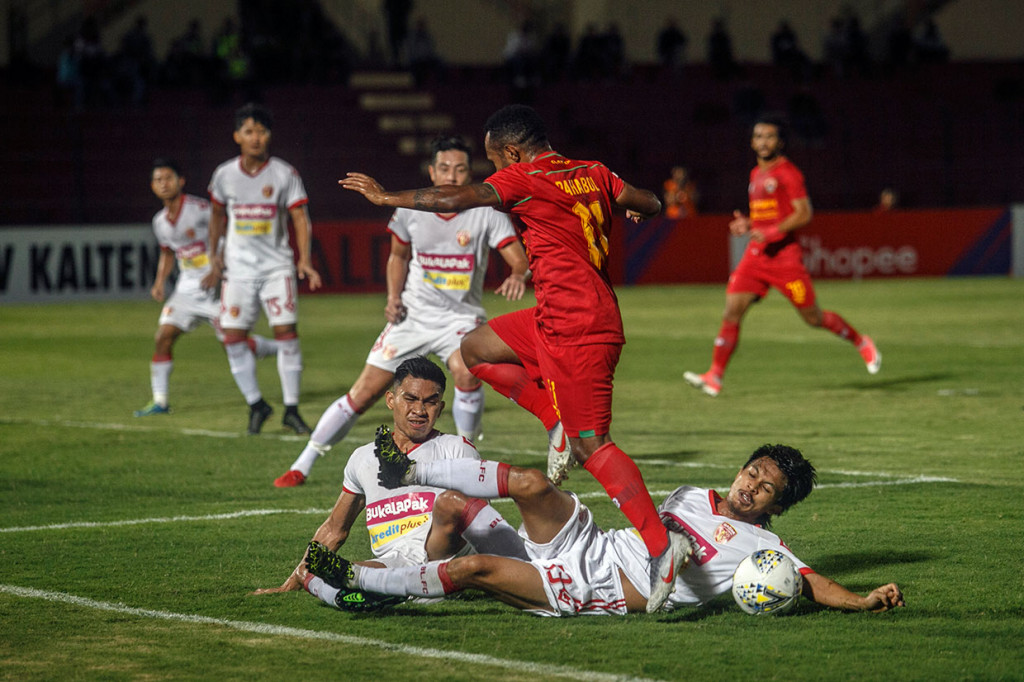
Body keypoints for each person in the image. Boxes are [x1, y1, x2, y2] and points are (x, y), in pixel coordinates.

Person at [341, 104, 690, 614]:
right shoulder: (592, 172)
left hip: (579, 330)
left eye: (492, 160)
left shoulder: (525, 177)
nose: (492, 171)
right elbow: (651, 201)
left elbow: (457, 197)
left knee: (595, 445)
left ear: (511, 151)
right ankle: (555, 421)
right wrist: (637, 208)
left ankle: (663, 549)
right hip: (553, 317)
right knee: (475, 349)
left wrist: (385, 196)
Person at [302, 442, 905, 617]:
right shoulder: (694, 493)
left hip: (597, 589)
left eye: (765, 487)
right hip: (591, 543)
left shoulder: (765, 546)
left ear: (776, 508)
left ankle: (353, 580)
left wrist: (861, 598)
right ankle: (415, 469)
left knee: (473, 569)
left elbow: (808, 580)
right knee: (531, 485)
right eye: (753, 472)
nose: (750, 486)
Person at [274, 136, 529, 487]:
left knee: (466, 373)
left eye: (459, 169)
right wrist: (393, 297)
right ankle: (303, 464)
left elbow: (518, 258)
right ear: (432, 170)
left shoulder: (485, 212)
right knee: (363, 392)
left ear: (470, 173)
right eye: (444, 168)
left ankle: (471, 460)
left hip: (461, 319)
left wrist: (517, 274)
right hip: (413, 316)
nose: (452, 176)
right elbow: (398, 256)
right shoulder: (412, 208)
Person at [254, 356, 528, 610]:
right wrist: (292, 580)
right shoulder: (363, 458)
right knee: (323, 570)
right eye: (410, 399)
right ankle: (356, 590)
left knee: (450, 507)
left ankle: (426, 584)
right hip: (394, 562)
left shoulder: (456, 449)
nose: (419, 410)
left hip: (445, 556)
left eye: (430, 402)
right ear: (390, 400)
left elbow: (481, 523)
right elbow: (335, 529)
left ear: (441, 407)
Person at [684, 115, 880, 398]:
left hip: (785, 260)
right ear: (752, 142)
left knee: (813, 318)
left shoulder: (789, 173)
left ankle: (860, 340)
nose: (764, 141)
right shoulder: (755, 174)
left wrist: (772, 231)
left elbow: (804, 213)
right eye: (759, 136)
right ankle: (715, 376)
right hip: (756, 257)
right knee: (731, 311)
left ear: (780, 142)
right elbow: (766, 216)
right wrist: (749, 225)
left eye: (770, 136)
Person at [202, 103, 322, 435]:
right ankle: (257, 404)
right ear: (237, 136)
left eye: (262, 131)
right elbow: (215, 216)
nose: (256, 138)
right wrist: (214, 255)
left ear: (269, 136)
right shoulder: (224, 174)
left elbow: (300, 217)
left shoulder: (284, 173)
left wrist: (304, 259)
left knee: (287, 335)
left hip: (276, 268)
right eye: (249, 131)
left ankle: (292, 409)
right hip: (238, 270)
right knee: (233, 337)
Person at [134, 159, 278, 417]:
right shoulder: (160, 222)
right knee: (163, 337)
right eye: (158, 180)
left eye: (168, 178)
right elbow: (168, 252)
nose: (163, 184)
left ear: (181, 181)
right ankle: (160, 401)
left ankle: (276, 349)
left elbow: (227, 238)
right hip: (186, 292)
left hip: (217, 289)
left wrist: (216, 269)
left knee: (233, 345)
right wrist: (159, 282)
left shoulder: (200, 210)